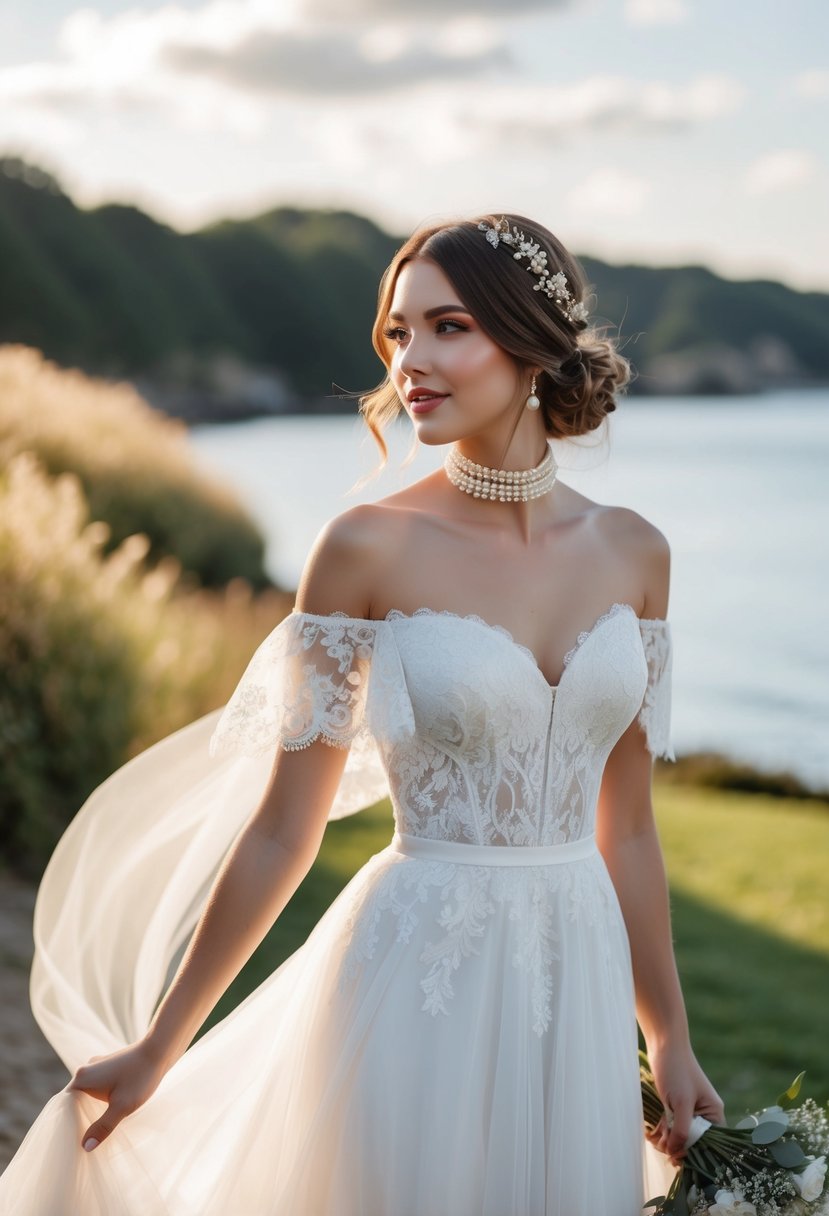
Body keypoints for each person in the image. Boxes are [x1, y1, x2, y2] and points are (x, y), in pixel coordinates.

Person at [0, 212, 723, 1215]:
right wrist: (160, 1046)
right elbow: (282, 827)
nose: (408, 361)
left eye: (448, 327)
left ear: (530, 342)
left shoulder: (638, 553)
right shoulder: (365, 549)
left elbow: (629, 825)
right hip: (414, 968)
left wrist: (668, 1036)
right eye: (396, 332)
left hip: (577, 969)